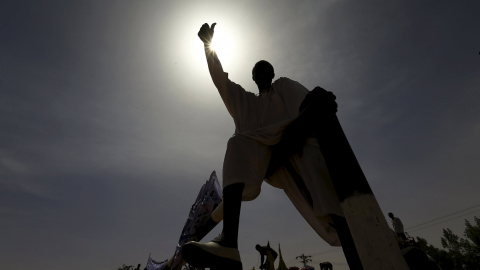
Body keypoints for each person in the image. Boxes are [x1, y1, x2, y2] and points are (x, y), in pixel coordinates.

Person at [181, 23, 363, 270]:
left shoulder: (284, 88)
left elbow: (309, 102)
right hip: (270, 162)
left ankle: (371, 245)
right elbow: (220, 81)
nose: (262, 71)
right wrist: (207, 46)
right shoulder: (247, 104)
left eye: (266, 68)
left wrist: (315, 104)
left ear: (273, 73)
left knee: (333, 212)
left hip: (300, 148)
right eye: (258, 69)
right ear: (253, 77)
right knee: (236, 143)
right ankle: (229, 242)